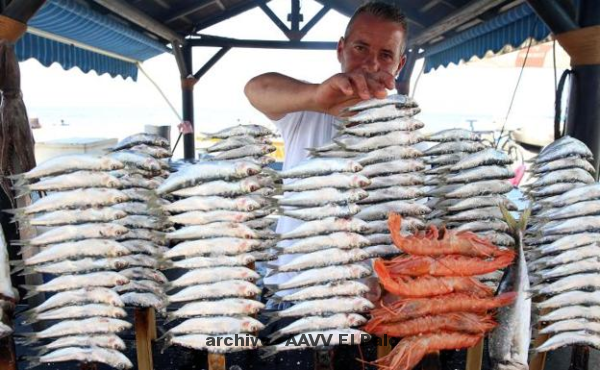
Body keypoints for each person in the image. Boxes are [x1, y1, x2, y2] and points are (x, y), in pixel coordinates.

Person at [244, 1, 408, 306]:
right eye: (361, 48)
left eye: (386, 55)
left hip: (365, 306)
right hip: (295, 294)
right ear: (341, 49)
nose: (372, 65)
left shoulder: (407, 133)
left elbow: (406, 223)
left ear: (399, 64)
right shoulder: (308, 107)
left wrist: (396, 283)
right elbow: (256, 88)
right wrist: (318, 97)